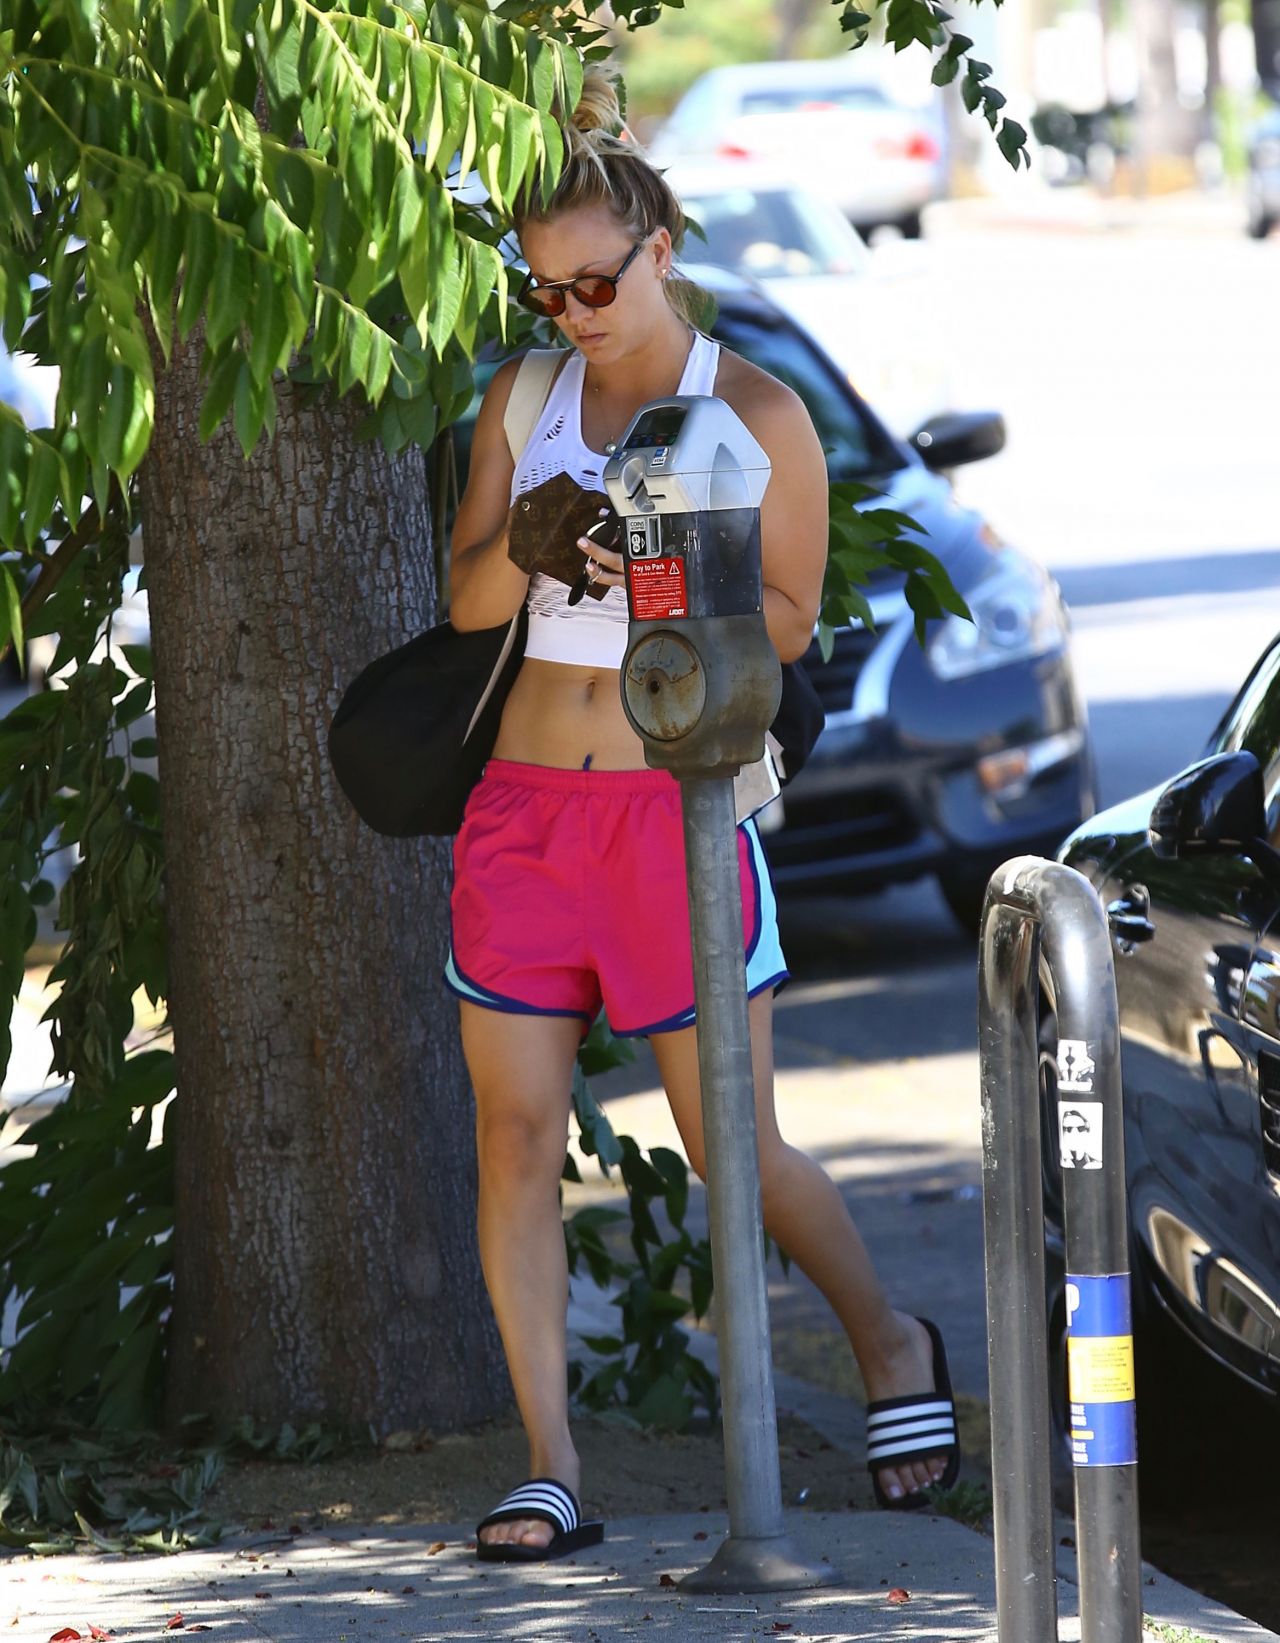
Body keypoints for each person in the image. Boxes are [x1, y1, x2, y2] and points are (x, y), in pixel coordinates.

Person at [445, 65, 960, 1562]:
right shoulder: (525, 399)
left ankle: (890, 1342)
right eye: (544, 292)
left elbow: (790, 622)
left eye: (597, 283)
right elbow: (467, 602)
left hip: (671, 818)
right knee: (513, 1137)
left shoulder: (754, 408)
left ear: (660, 247)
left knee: (731, 1140)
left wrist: (671, 565)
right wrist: (533, 541)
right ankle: (551, 1464)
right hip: (522, 818)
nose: (574, 315)